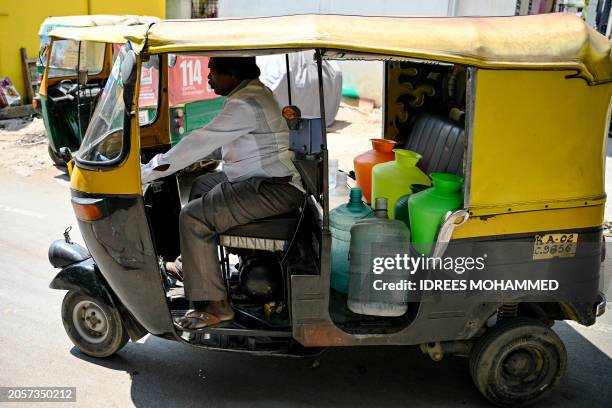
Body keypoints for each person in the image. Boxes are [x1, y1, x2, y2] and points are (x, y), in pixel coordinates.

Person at [141, 57, 304, 330]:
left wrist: (148, 172)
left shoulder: (244, 104)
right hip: (264, 179)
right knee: (202, 186)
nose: (208, 77)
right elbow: (228, 142)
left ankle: (215, 306)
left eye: (213, 71)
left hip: (274, 188)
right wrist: (186, 159)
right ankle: (194, 265)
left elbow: (200, 141)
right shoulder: (252, 92)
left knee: (192, 218)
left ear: (232, 74)